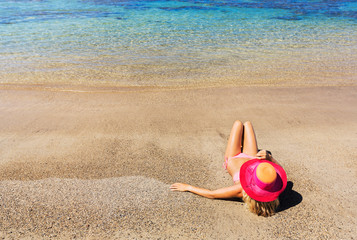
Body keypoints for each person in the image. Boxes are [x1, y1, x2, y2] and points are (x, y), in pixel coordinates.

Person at [170, 120, 287, 217]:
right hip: (252, 157)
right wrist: (270, 158)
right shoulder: (272, 184)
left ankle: (240, 144)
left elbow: (212, 194)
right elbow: (281, 171)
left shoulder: (242, 189)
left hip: (234, 158)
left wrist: (188, 187)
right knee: (247, 124)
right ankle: (242, 143)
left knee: (238, 124)